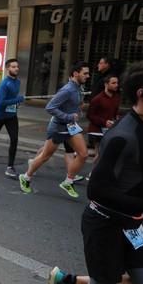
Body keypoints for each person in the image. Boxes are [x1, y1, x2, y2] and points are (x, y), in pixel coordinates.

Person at [41, 58, 143, 284]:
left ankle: (68, 281)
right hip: (104, 223)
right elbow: (98, 190)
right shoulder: (123, 136)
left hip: (132, 223)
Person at [19, 61, 90, 198]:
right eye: (85, 73)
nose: (88, 76)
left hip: (71, 127)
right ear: (76, 73)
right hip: (59, 127)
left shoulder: (78, 88)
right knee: (45, 156)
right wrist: (68, 116)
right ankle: (26, 177)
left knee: (84, 154)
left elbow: (72, 105)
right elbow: (50, 107)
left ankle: (68, 181)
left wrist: (78, 109)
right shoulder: (68, 89)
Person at [86, 74, 120, 156]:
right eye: (113, 83)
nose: (116, 85)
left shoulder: (116, 97)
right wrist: (104, 122)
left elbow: (115, 114)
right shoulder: (97, 99)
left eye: (117, 83)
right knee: (100, 156)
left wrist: (117, 119)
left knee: (105, 156)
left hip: (110, 130)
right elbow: (90, 115)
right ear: (106, 84)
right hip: (97, 131)